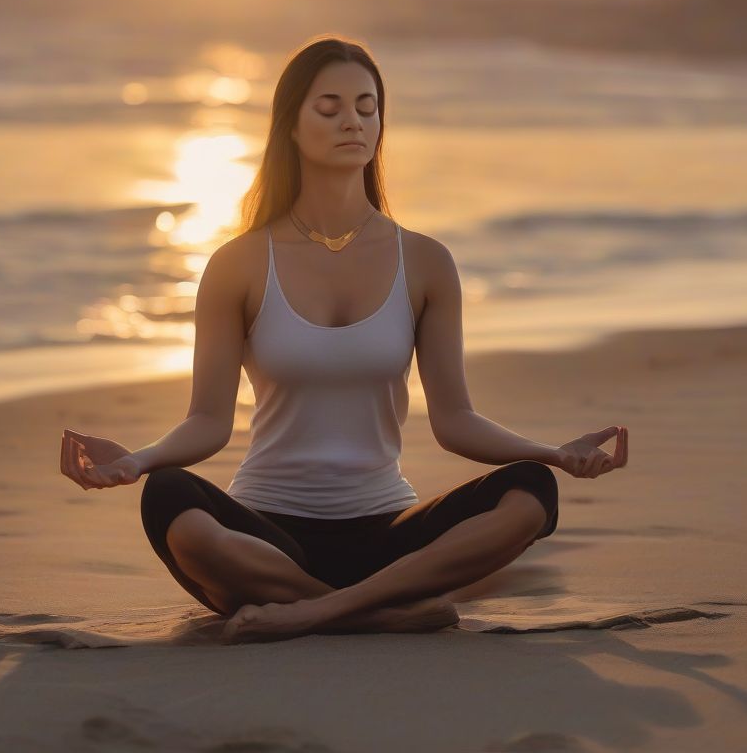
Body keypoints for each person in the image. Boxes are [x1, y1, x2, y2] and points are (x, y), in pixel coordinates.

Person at [59, 35, 628, 644]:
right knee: (169, 499)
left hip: (387, 532)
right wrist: (135, 462)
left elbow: (455, 419)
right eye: (328, 108)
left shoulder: (426, 261)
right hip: (265, 534)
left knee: (531, 493)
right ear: (291, 126)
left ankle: (315, 612)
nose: (352, 121)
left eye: (366, 106)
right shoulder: (239, 263)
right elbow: (206, 421)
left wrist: (554, 455)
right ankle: (381, 612)